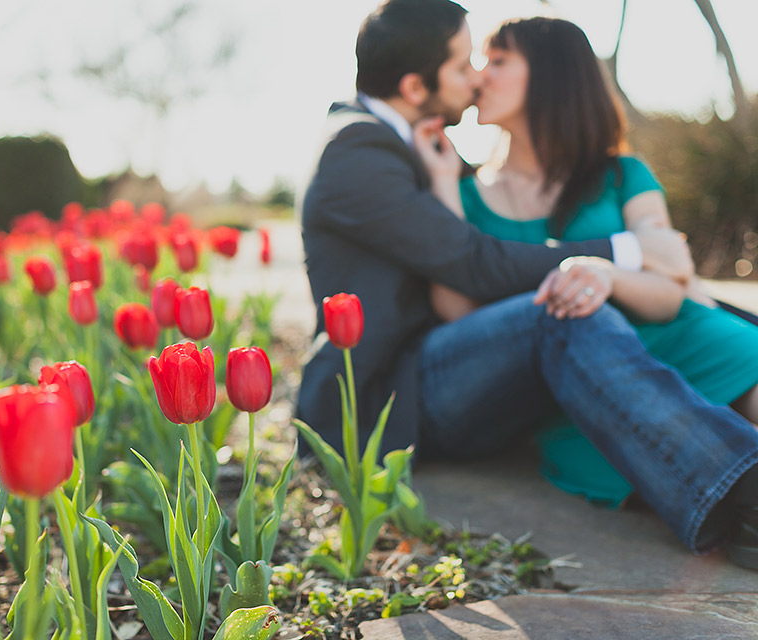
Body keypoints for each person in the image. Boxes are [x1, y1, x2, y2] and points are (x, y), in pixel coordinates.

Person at [296, 0, 758, 568]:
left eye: (487, 62)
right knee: (556, 309)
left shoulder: (414, 147)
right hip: (391, 395)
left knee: (716, 332)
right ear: (416, 86)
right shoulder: (358, 150)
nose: (475, 78)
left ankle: (736, 478)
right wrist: (623, 252)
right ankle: (740, 484)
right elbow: (476, 265)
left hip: (482, 369)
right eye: (465, 64)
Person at [419, 16, 758, 510]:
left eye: (498, 60)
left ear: (552, 73)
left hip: (691, 340)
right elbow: (456, 311)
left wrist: (608, 273)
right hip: (592, 387)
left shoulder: (622, 175)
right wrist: (444, 184)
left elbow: (670, 292)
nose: (478, 76)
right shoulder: (466, 196)